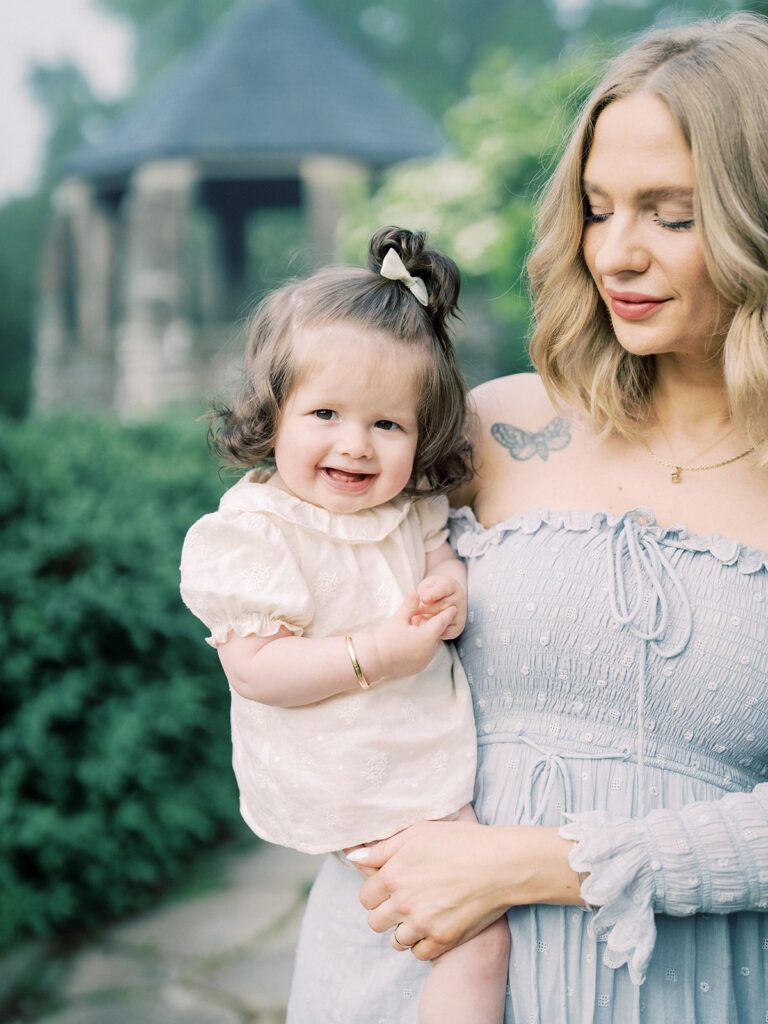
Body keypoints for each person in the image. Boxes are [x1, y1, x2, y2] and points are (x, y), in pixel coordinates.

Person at [286, 13, 768, 1023]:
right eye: (598, 209)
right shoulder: (494, 429)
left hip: (679, 991)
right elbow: (290, 573)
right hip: (403, 973)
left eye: (671, 214)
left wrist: (535, 863)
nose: (618, 253)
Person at [179, 226, 510, 1024]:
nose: (355, 445)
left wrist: (449, 586)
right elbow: (257, 670)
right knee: (478, 939)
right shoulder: (256, 532)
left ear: (420, 432)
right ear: (274, 414)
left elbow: (438, 555)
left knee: (417, 948)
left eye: (387, 426)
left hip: (417, 763)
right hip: (350, 778)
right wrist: (377, 655)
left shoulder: (411, 510)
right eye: (326, 412)